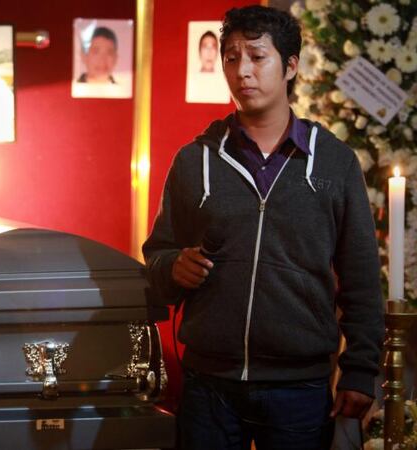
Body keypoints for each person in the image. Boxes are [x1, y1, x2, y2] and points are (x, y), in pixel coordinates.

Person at [143, 5, 383, 449]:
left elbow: (362, 278)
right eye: (231, 58)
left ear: (290, 66)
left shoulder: (333, 162)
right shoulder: (195, 160)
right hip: (208, 384)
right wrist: (172, 268)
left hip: (299, 388)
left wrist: (360, 370)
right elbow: (157, 255)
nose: (242, 71)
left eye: (257, 56)